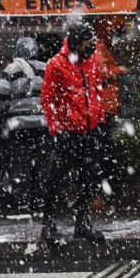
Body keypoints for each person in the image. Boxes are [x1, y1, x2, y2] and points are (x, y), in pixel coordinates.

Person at [40, 21, 108, 245]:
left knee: (88, 178)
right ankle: (48, 224)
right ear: (77, 43)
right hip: (67, 131)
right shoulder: (56, 64)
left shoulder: (93, 60)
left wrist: (99, 119)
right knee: (55, 178)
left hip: (91, 129)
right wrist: (56, 128)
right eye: (88, 43)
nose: (92, 46)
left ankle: (82, 222)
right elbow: (47, 98)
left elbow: (97, 89)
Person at [0, 37, 50, 216]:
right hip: (42, 124)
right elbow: (54, 94)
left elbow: (1, 95)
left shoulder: (11, 68)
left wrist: (6, 109)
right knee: (42, 166)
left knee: (19, 166)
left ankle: (22, 206)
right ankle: (40, 205)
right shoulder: (46, 67)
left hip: (18, 126)